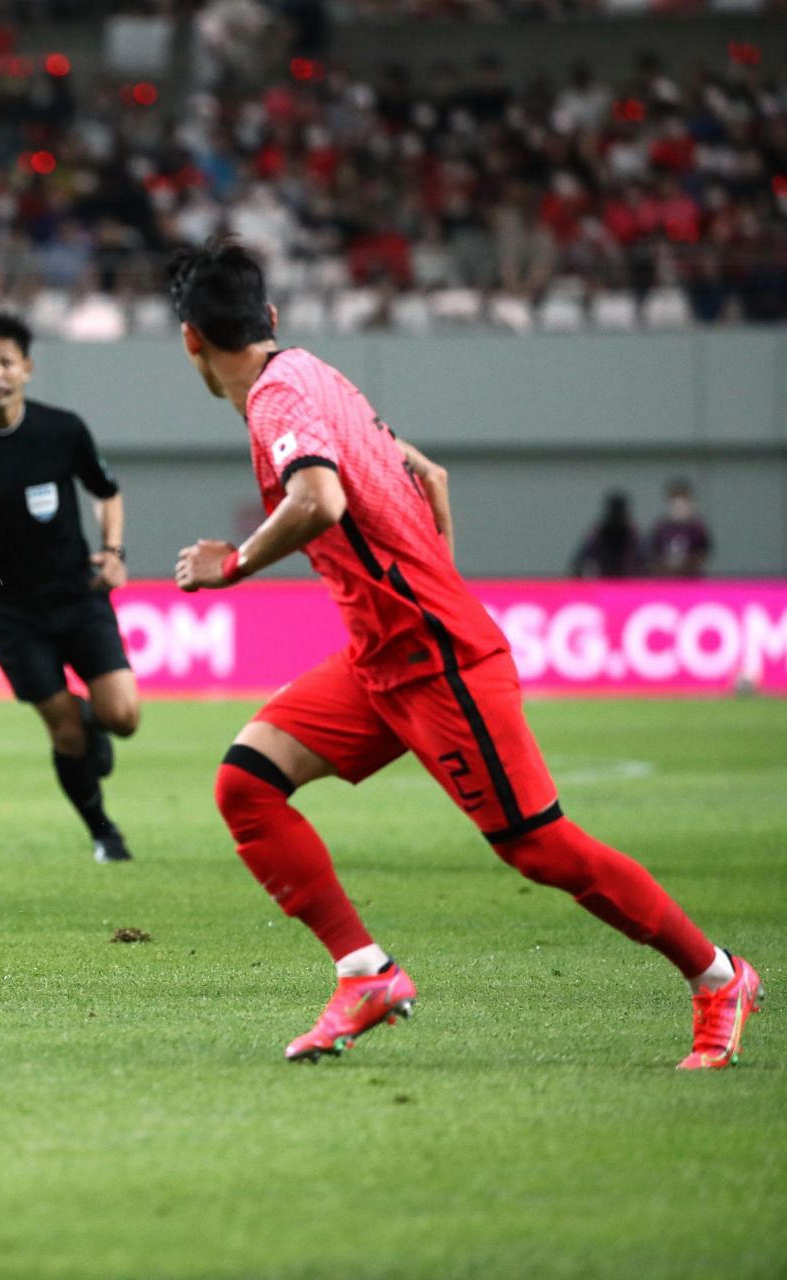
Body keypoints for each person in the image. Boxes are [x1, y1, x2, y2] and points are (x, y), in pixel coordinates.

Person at [167, 239, 761, 1069]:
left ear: (190, 339)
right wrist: (429, 572)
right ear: (267, 317)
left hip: (435, 658)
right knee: (248, 784)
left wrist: (231, 565)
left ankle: (717, 975)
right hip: (386, 655)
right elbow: (429, 472)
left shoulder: (275, 402)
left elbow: (321, 496)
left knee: (541, 848)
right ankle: (365, 973)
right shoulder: (316, 374)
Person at [0, 310, 140, 863]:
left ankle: (95, 723)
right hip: (13, 613)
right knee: (66, 735)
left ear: (26, 367)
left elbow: (107, 492)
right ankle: (103, 831)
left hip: (79, 595)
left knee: (123, 718)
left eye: (5, 362)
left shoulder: (63, 429)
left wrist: (114, 553)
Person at [570, 491, 647, 578]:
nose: (617, 518)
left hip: (628, 583)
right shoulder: (598, 534)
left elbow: (645, 561)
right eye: (615, 513)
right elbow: (580, 560)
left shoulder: (633, 535)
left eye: (619, 513)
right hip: (603, 582)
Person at [649, 478, 712, 578]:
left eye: (683, 504)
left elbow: (704, 553)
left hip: (691, 579)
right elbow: (653, 554)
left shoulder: (697, 528)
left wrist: (687, 563)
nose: (680, 508)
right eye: (676, 505)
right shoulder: (661, 528)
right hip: (666, 579)